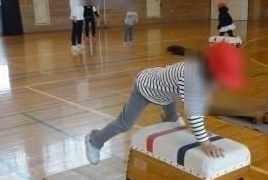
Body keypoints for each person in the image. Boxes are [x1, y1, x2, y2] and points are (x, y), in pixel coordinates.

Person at [84, 43, 245, 165]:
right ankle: (95, 140)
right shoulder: (192, 78)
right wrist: (205, 143)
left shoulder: (203, 72)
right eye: (223, 80)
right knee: (124, 124)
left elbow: (198, 105)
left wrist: (198, 130)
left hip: (167, 92)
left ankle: (170, 118)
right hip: (145, 88)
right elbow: (194, 114)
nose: (223, 86)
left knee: (172, 118)